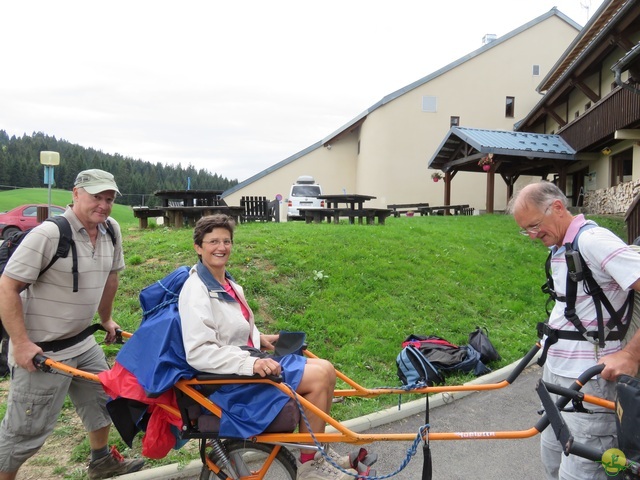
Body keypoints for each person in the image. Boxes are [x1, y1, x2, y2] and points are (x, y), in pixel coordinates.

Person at [178, 214, 360, 480]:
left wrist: (258, 337)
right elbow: (199, 352)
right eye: (213, 241)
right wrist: (253, 362)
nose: (221, 247)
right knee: (320, 375)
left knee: (326, 369)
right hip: (229, 383)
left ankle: (318, 453)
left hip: (241, 368)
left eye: (226, 241)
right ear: (198, 247)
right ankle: (311, 466)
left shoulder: (225, 282)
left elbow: (230, 328)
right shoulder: (196, 290)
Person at [0, 169, 144, 480]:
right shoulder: (48, 235)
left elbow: (112, 276)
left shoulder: (111, 230)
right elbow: (7, 287)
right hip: (43, 351)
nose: (103, 205)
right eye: (96, 197)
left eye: (109, 199)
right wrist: (22, 343)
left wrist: (105, 319)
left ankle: (101, 462)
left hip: (81, 341)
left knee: (102, 402)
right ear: (76, 193)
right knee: (25, 431)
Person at [509, 181, 640, 480]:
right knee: (553, 463)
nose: (532, 235)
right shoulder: (560, 247)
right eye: (525, 230)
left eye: (534, 225)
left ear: (557, 207)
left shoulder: (593, 240)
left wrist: (631, 354)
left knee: (581, 473)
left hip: (589, 380)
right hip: (556, 376)